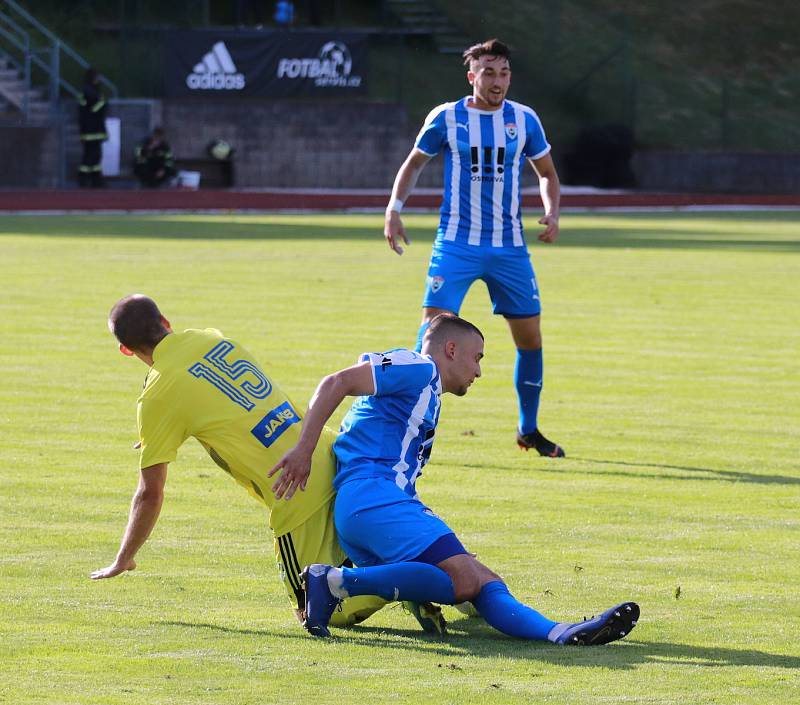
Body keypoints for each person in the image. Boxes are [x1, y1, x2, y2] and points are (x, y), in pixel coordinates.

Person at [270, 313, 639, 643]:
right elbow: (337, 381)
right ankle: (333, 582)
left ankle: (560, 633)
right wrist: (304, 448)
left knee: (481, 577)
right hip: (375, 499)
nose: (478, 371)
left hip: (376, 507)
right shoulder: (419, 367)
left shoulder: (426, 389)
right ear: (450, 349)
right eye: (477, 357)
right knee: (464, 579)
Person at [91, 294, 390, 630]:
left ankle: (399, 585)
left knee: (317, 608)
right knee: (372, 541)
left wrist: (124, 557)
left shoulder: (158, 395)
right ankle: (419, 569)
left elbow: (150, 494)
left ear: (126, 350)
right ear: (165, 321)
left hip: (293, 487)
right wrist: (160, 432)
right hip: (330, 449)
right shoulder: (208, 337)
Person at [383, 38, 565, 458]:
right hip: (456, 244)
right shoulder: (447, 117)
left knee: (530, 338)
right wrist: (394, 208)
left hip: (510, 248)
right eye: (488, 72)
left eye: (503, 72)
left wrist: (552, 211)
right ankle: (406, 425)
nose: (497, 80)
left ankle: (529, 429)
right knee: (431, 334)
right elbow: (413, 164)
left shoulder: (525, 119)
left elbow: (547, 173)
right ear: (472, 77)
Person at [77, 67, 107, 188]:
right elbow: (91, 110)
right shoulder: (89, 92)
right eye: (97, 77)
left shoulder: (91, 91)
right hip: (91, 130)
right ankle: (84, 180)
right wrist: (102, 102)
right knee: (89, 156)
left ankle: (96, 180)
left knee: (96, 156)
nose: (99, 79)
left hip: (94, 130)